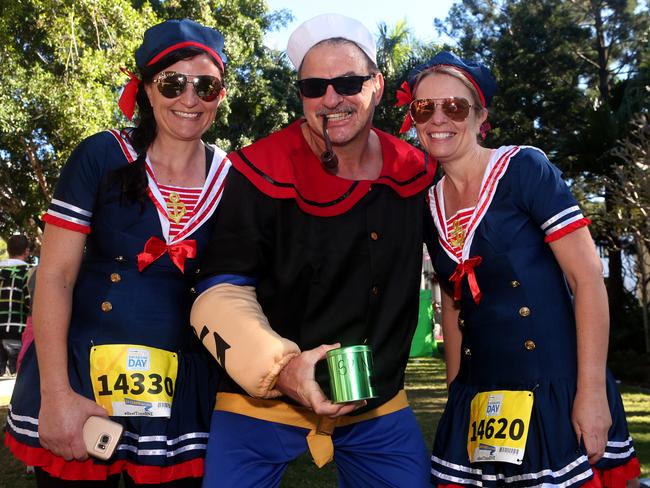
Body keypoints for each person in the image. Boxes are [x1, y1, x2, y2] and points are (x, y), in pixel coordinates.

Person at [190, 13, 436, 488]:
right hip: (259, 406)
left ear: (378, 85)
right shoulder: (259, 169)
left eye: (348, 81)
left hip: (378, 407)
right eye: (314, 86)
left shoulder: (417, 172)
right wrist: (282, 371)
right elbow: (218, 293)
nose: (331, 98)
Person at [396, 51, 641, 487]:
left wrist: (591, 394)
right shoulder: (427, 204)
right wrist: (456, 395)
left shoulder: (524, 168)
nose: (438, 119)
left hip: (555, 390)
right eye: (424, 107)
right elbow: (454, 306)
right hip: (482, 397)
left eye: (454, 106)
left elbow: (586, 279)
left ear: (479, 115)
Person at [5, 18, 231, 487]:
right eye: (172, 83)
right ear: (147, 89)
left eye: (205, 86)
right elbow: (55, 276)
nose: (189, 99)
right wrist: (56, 395)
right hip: (82, 378)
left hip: (180, 395)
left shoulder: (230, 178)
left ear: (220, 95)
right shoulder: (102, 156)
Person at [0, 234, 32, 376]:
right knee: (17, 380)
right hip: (18, 333)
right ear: (26, 251)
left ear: (8, 250)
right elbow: (31, 304)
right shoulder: (29, 273)